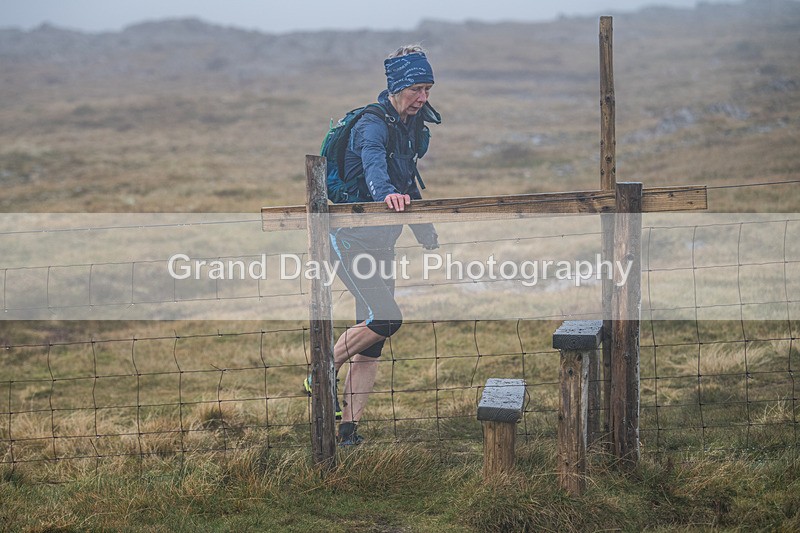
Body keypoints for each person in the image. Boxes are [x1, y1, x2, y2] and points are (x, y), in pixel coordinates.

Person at [305, 44, 441, 445]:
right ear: (398, 86)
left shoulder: (410, 127)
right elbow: (372, 162)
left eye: (429, 89)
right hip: (349, 240)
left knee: (375, 337)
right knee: (386, 319)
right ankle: (320, 369)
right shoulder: (372, 123)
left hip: (383, 240)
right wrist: (384, 193)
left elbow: (408, 180)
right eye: (417, 88)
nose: (423, 97)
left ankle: (349, 431)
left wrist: (422, 229)